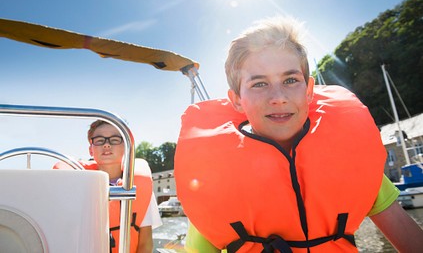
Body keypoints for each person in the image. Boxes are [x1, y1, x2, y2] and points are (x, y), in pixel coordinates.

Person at [174, 16, 423, 252]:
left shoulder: (353, 160)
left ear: (309, 90)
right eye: (259, 84)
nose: (278, 98)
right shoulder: (214, 182)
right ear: (237, 100)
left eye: (291, 80)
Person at [55, 120, 162, 253]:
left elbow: (145, 243)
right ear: (90, 149)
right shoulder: (75, 185)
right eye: (100, 140)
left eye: (114, 140)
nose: (106, 145)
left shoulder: (140, 186)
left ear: (125, 147)